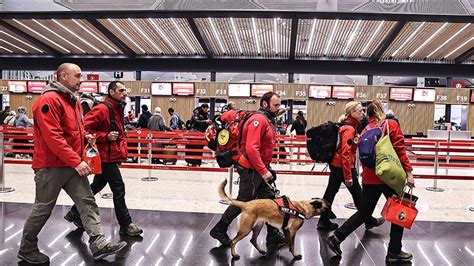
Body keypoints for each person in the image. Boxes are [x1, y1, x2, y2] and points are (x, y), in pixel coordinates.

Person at [18, 63, 126, 264]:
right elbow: (53, 137)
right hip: (51, 166)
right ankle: (27, 247)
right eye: (77, 76)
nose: (81, 80)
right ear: (63, 76)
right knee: (43, 208)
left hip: (71, 164)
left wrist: (86, 137)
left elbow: (74, 131)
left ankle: (98, 243)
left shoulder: (73, 101)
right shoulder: (49, 100)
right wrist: (77, 161)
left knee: (86, 201)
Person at [327, 100, 415, 263]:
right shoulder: (389, 124)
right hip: (389, 176)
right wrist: (409, 172)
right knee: (399, 211)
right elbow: (400, 148)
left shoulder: (366, 129)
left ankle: (337, 237)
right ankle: (394, 252)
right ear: (382, 110)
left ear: (369, 114)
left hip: (369, 176)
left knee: (364, 212)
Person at [64, 81, 143, 237]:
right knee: (118, 188)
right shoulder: (103, 108)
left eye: (125, 90)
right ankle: (125, 224)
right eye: (121, 90)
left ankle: (74, 212)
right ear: (111, 92)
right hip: (105, 158)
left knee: (97, 185)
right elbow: (84, 128)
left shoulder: (117, 108)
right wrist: (104, 136)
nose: (125, 93)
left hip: (111, 155)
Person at [209, 91, 286, 247]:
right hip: (250, 169)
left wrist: (266, 168)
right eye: (275, 105)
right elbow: (251, 148)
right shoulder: (258, 120)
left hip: (258, 167)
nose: (279, 108)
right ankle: (219, 229)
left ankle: (272, 234)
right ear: (265, 104)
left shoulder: (267, 120)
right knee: (244, 201)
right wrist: (263, 171)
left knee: (270, 200)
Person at [317, 101, 383, 230]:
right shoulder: (349, 128)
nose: (363, 113)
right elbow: (346, 153)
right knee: (358, 193)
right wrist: (348, 176)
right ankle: (368, 220)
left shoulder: (347, 125)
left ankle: (323, 220)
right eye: (360, 111)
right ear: (352, 113)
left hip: (336, 164)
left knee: (331, 192)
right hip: (343, 166)